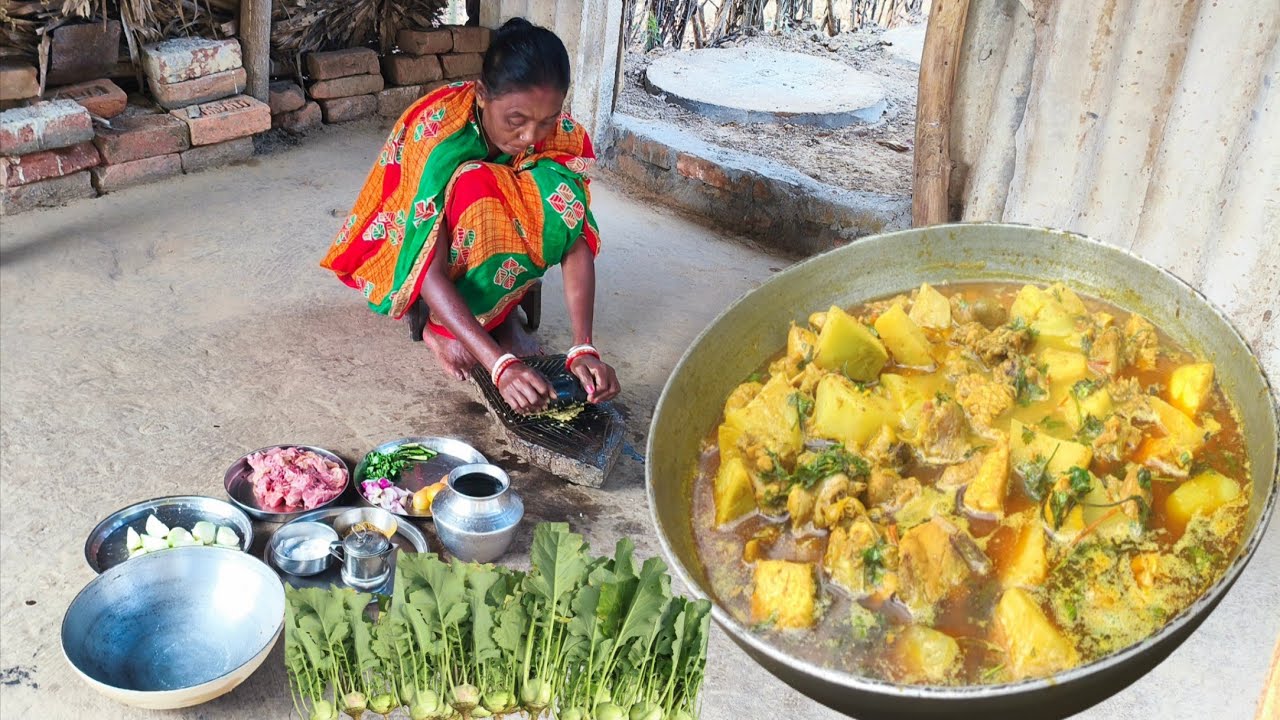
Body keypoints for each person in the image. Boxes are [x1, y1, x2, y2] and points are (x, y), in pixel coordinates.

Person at [321, 18, 621, 414]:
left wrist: (583, 346)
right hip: (414, 245)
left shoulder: (562, 136)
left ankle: (503, 315)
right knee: (475, 185)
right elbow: (424, 263)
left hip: (483, 251)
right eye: (516, 120)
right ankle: (440, 329)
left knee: (557, 193)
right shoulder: (439, 138)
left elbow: (573, 235)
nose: (531, 136)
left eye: (546, 120)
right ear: (482, 95)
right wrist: (498, 365)